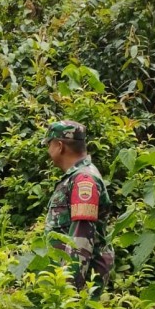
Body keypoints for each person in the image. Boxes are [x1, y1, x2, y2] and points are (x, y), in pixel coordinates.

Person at [42, 119, 114, 292]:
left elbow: (81, 240)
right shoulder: (76, 176)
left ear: (60, 146)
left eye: (49, 144)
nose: (47, 150)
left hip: (80, 285)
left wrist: (70, 290)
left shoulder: (84, 179)